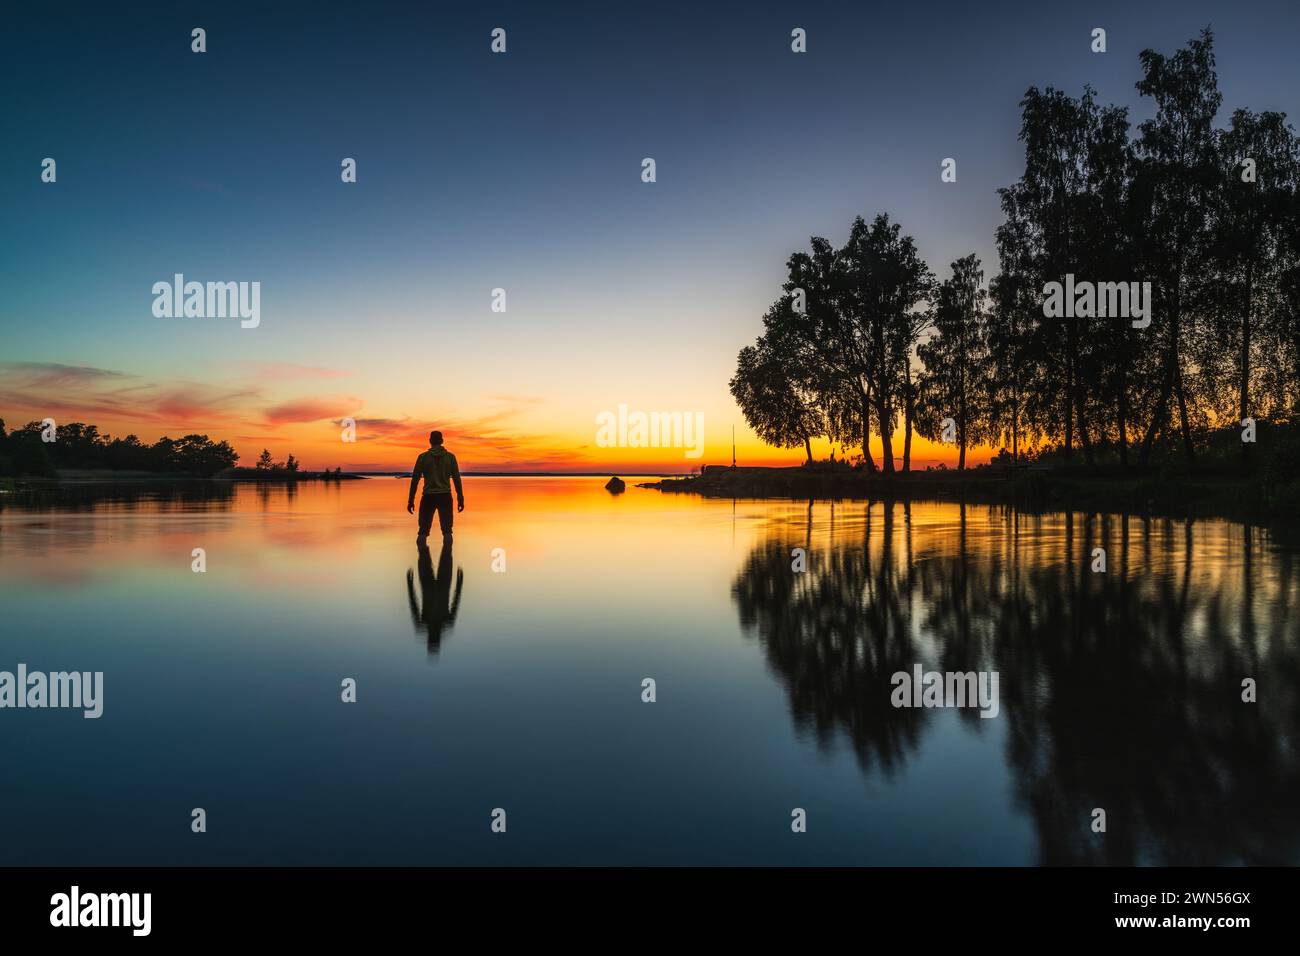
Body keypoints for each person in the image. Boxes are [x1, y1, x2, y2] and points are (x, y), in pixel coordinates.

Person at [407, 430, 464, 542]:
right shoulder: (450, 457)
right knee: (447, 531)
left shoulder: (423, 457)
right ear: (442, 441)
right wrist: (460, 497)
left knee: (423, 531)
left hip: (428, 497)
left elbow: (415, 481)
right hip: (445, 497)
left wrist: (411, 500)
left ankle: (423, 556)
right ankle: (447, 556)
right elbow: (457, 479)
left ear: (430, 441)